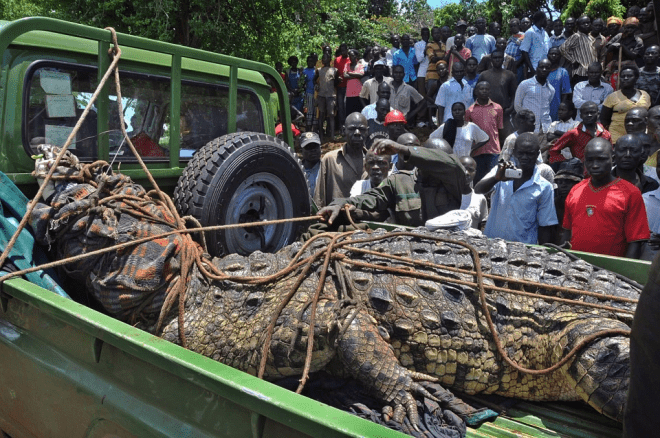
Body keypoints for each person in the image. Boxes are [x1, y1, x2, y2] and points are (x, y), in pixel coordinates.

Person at [318, 137, 471, 227]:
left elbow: (452, 165)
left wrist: (403, 149)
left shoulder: (453, 181)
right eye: (435, 161)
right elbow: (371, 198)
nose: (441, 166)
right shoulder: (399, 181)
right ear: (424, 160)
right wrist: (341, 203)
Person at [561, 137, 649, 258]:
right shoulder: (575, 190)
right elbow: (567, 232)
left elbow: (635, 242)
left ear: (612, 159)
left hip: (610, 270)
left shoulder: (631, 193)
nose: (595, 165)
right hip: (576, 267)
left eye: (601, 159)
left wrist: (624, 272)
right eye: (590, 160)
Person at [475, 133, 558, 244]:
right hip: (491, 244)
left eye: (529, 154)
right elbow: (478, 190)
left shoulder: (545, 187)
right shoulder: (500, 171)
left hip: (522, 249)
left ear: (537, 154)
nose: (524, 157)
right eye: (521, 153)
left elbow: (545, 225)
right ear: (514, 152)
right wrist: (496, 179)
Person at [314, 112, 368, 207]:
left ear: (367, 132)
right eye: (352, 129)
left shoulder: (375, 162)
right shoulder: (330, 160)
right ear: (343, 131)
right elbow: (319, 199)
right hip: (336, 219)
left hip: (367, 219)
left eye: (362, 129)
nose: (357, 133)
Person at [548, 101, 612, 168]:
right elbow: (553, 150)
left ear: (598, 114)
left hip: (602, 171)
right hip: (581, 173)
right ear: (581, 116)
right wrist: (567, 163)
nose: (589, 115)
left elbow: (611, 153)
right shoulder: (574, 133)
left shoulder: (605, 134)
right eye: (586, 113)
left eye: (592, 112)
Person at [601, 65, 652, 142]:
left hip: (640, 135)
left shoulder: (645, 95)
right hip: (617, 136)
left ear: (636, 78)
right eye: (623, 76)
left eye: (629, 76)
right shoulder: (612, 97)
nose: (625, 78)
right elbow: (604, 119)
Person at [466, 81, 503, 180]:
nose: (484, 91)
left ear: (490, 92)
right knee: (479, 179)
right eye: (481, 89)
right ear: (476, 92)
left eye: (486, 89)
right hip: (477, 151)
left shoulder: (498, 108)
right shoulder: (470, 110)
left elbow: (500, 129)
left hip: (494, 150)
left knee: (494, 178)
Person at [478, 50, 517, 140]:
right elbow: (478, 93)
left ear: (503, 59)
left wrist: (511, 108)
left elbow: (514, 94)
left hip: (504, 112)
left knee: (504, 137)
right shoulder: (484, 75)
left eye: (499, 58)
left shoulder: (509, 75)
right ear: (491, 59)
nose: (497, 60)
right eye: (495, 58)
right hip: (487, 111)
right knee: (488, 137)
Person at [514, 58, 555, 134]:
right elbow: (517, 106)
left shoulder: (551, 89)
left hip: (545, 129)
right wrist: (526, 121)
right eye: (541, 67)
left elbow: (547, 106)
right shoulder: (525, 84)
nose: (544, 69)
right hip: (528, 129)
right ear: (537, 68)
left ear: (550, 70)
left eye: (547, 68)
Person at [551, 158, 584, 244]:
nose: (563, 185)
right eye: (560, 182)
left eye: (568, 182)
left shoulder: (585, 203)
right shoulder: (553, 202)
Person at [559, 16, 597, 85]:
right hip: (580, 73)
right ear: (578, 26)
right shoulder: (576, 36)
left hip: (591, 73)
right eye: (583, 23)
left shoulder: (590, 37)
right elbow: (562, 48)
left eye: (588, 23)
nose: (586, 25)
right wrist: (573, 60)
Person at [425, 26, 448, 126]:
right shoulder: (429, 45)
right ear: (432, 35)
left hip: (442, 74)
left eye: (438, 33)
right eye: (434, 33)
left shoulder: (444, 45)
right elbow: (433, 58)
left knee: (440, 98)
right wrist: (444, 58)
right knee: (431, 98)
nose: (437, 35)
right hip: (432, 74)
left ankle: (439, 120)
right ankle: (430, 121)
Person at [459, 156, 489, 229]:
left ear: (475, 173)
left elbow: (482, 224)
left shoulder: (479, 198)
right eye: (463, 168)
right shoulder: (446, 194)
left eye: (471, 170)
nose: (467, 173)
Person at [316, 53, 339, 142]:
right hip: (321, 95)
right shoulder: (319, 70)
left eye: (326, 58)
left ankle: (332, 136)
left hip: (331, 95)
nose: (324, 59)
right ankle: (321, 136)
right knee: (321, 115)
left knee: (331, 115)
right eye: (323, 58)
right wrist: (317, 86)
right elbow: (315, 80)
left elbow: (336, 81)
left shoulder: (334, 70)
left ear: (330, 60)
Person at [546, 47, 572, 121]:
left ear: (560, 57)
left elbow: (566, 92)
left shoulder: (563, 72)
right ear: (547, 55)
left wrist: (561, 109)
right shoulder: (542, 70)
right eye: (552, 54)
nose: (554, 55)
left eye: (556, 54)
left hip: (555, 107)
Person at [344, 49, 365, 116]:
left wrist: (350, 73)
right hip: (349, 93)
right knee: (349, 113)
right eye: (349, 56)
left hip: (358, 92)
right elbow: (345, 75)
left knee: (359, 112)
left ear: (356, 56)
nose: (351, 57)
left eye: (352, 56)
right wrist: (356, 75)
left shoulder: (360, 65)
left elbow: (361, 75)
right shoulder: (347, 65)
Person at [299, 132, 322, 196]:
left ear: (320, 148)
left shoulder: (327, 168)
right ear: (301, 151)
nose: (313, 150)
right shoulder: (297, 171)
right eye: (308, 147)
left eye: (315, 146)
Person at [504, 18, 526, 83]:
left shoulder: (523, 36)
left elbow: (525, 53)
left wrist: (516, 63)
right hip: (508, 65)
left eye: (515, 25)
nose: (513, 28)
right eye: (511, 26)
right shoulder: (511, 38)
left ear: (519, 26)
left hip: (518, 65)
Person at [334, 43, 350, 129]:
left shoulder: (350, 59)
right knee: (340, 106)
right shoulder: (337, 60)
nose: (343, 52)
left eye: (345, 50)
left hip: (349, 87)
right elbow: (335, 71)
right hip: (340, 86)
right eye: (342, 50)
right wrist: (337, 77)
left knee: (345, 105)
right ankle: (341, 125)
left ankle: (347, 124)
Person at [415, 27, 430, 105]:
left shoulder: (432, 43)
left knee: (430, 94)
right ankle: (422, 115)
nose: (426, 35)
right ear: (421, 35)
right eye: (424, 34)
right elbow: (419, 59)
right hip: (422, 73)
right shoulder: (418, 44)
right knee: (422, 95)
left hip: (431, 72)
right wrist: (425, 49)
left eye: (427, 34)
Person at [302, 55, 317, 132]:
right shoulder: (304, 71)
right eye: (308, 61)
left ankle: (314, 130)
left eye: (311, 61)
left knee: (315, 112)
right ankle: (308, 130)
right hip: (309, 93)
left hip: (317, 93)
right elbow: (302, 83)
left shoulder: (316, 70)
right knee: (309, 112)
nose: (310, 63)